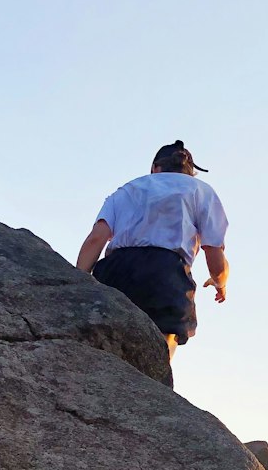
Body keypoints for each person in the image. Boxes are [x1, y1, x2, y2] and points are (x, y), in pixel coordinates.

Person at [77, 140, 229, 359]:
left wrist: (79, 279)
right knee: (163, 345)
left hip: (116, 269)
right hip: (166, 272)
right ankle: (154, 385)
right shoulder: (200, 190)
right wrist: (220, 282)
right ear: (189, 172)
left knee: (104, 342)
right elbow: (214, 252)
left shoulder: (127, 189)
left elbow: (96, 238)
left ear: (154, 169)